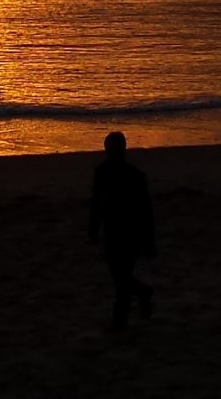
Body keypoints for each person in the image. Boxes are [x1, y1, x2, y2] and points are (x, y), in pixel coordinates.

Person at [89, 130, 155, 331]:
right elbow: (97, 204)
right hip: (116, 232)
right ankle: (142, 292)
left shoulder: (134, 176)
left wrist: (149, 241)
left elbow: (145, 211)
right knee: (119, 275)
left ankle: (120, 321)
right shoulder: (104, 173)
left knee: (121, 278)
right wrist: (93, 228)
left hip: (127, 233)